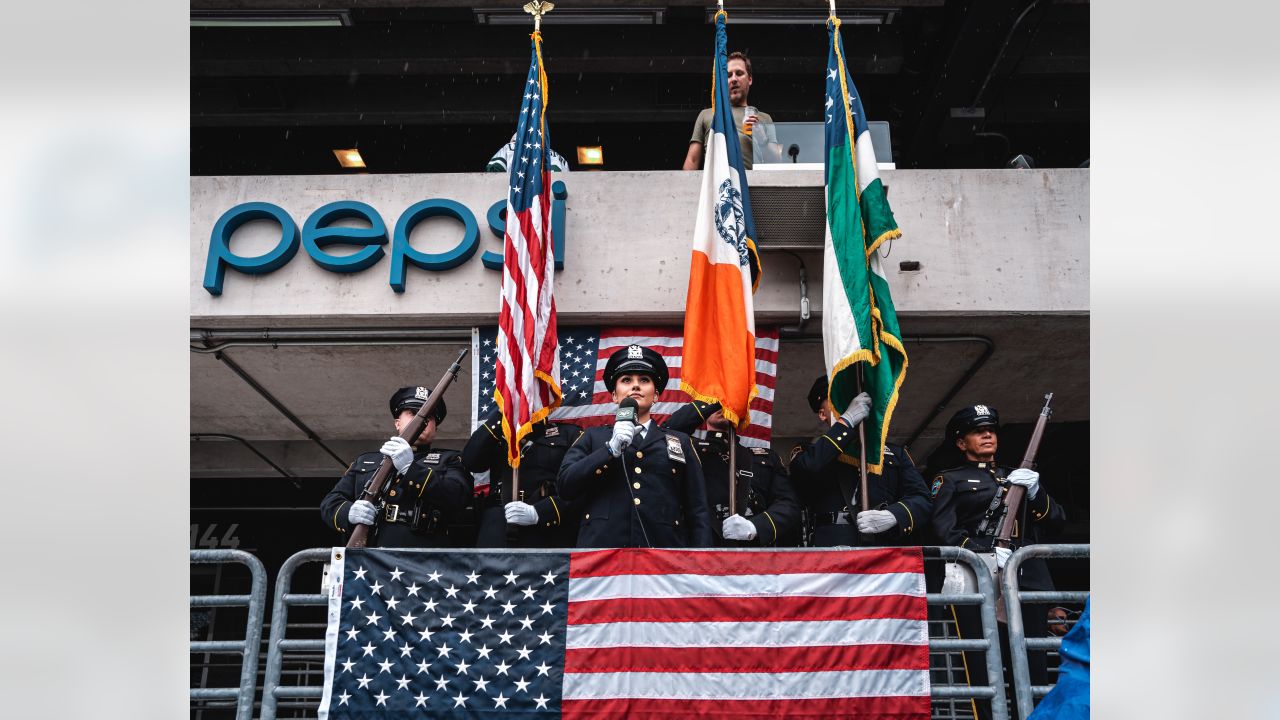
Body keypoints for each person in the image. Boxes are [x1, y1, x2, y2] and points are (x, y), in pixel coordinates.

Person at [930, 403, 1068, 720]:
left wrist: (1035, 492)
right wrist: (985, 552)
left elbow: (1057, 520)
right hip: (979, 580)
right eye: (978, 431)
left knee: (1031, 665)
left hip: (1025, 579)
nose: (988, 434)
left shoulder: (1016, 477)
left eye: (991, 429)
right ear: (961, 443)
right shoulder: (949, 480)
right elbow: (944, 531)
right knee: (983, 668)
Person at [556, 344, 713, 548]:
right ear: (614, 395)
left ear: (656, 395)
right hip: (601, 557)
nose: (636, 386)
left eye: (644, 380)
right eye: (626, 380)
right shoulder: (593, 437)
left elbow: (697, 511)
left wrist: (701, 565)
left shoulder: (680, 441)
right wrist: (609, 450)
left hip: (664, 559)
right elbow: (565, 486)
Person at [788, 375, 933, 547]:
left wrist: (894, 515)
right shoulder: (810, 451)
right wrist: (846, 422)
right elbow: (805, 470)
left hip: (884, 552)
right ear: (822, 413)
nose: (851, 402)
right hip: (832, 551)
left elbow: (922, 500)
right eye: (838, 397)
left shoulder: (894, 453)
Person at [319, 386, 472, 548]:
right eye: (413, 413)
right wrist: (348, 512)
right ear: (397, 423)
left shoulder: (451, 459)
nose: (422, 421)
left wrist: (410, 469)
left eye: (430, 416)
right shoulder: (366, 460)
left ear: (435, 429)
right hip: (369, 556)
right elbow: (331, 502)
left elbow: (458, 497)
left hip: (424, 558)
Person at [662, 400, 800, 546]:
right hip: (705, 548)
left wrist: (756, 527)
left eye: (728, 400)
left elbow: (789, 504)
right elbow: (668, 432)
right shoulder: (690, 450)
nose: (722, 405)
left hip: (753, 554)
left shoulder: (765, 458)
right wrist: (713, 400)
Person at [462, 409, 582, 548]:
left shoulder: (569, 434)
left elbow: (579, 487)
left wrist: (540, 513)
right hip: (497, 527)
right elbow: (471, 461)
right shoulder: (499, 432)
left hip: (546, 529)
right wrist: (503, 413)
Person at [682, 51, 781, 171]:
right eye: (728, 75)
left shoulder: (764, 118)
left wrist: (762, 139)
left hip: (750, 186)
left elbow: (776, 163)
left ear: (749, 79)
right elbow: (692, 160)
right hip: (717, 186)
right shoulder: (706, 114)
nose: (734, 79)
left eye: (739, 73)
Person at [486, 132, 570, 173]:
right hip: (550, 200)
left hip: (514, 198)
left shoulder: (509, 148)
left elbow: (494, 170)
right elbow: (564, 178)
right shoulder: (556, 156)